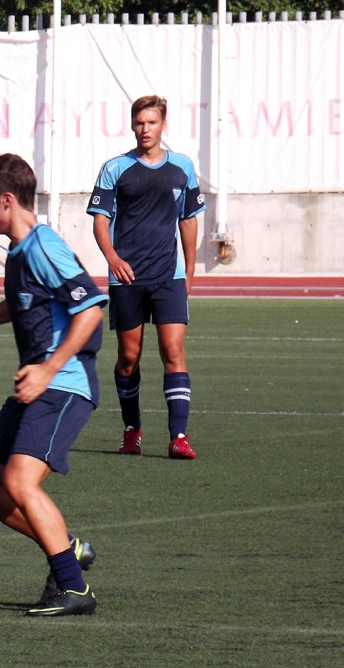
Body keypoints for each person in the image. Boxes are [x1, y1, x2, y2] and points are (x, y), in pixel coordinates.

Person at [0, 153, 106, 617]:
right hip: (37, 384)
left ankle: (74, 589)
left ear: (7, 200)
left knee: (19, 480)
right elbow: (21, 303)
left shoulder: (44, 246)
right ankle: (66, 550)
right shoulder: (20, 250)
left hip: (63, 385)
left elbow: (90, 308)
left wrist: (48, 368)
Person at [87, 94, 206, 459]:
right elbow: (100, 221)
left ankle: (179, 437)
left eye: (151, 123)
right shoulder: (115, 168)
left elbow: (188, 219)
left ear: (163, 125)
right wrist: (112, 258)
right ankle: (131, 429)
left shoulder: (182, 167)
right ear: (133, 125)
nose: (145, 129)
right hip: (127, 277)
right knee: (128, 357)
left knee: (173, 350)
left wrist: (188, 269)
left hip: (167, 275)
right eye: (139, 123)